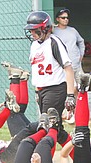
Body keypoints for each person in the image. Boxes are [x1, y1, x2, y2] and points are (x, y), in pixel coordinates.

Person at [23, 11, 75, 150]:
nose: (33, 33)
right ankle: (77, 154)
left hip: (55, 89)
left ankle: (44, 161)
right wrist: (37, 90)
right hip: (42, 90)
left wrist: (70, 95)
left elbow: (68, 68)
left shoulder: (54, 42)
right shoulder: (34, 45)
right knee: (56, 129)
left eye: (36, 30)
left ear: (46, 28)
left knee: (47, 127)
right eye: (31, 30)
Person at [53, 9, 85, 77]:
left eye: (67, 17)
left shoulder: (73, 30)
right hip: (63, 67)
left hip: (77, 65)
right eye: (63, 18)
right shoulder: (54, 32)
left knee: (80, 86)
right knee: (69, 86)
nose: (66, 19)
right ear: (57, 19)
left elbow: (81, 42)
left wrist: (81, 54)